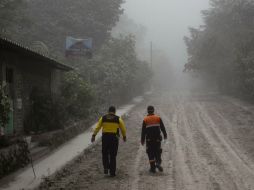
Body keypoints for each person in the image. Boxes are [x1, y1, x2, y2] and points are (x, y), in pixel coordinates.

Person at [91, 106, 127, 177]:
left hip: (105, 138)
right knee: (113, 155)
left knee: (105, 153)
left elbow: (97, 127)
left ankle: (106, 168)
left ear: (108, 111)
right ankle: (112, 172)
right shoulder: (118, 119)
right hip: (114, 138)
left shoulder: (103, 118)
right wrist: (124, 136)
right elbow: (123, 128)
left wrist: (93, 135)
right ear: (115, 111)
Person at [141, 105, 167, 173]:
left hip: (149, 140)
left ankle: (152, 168)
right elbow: (163, 128)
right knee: (158, 151)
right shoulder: (158, 118)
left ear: (147, 111)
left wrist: (142, 140)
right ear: (153, 110)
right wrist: (165, 135)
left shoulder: (145, 119)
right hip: (157, 139)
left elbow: (143, 131)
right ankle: (158, 163)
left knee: (150, 153)